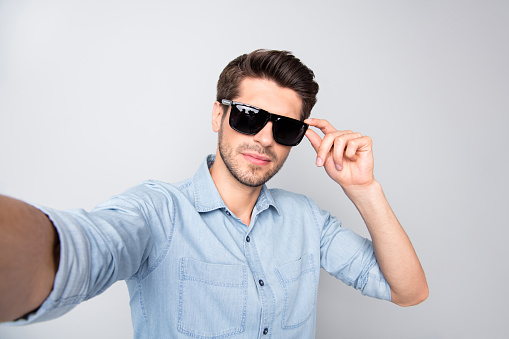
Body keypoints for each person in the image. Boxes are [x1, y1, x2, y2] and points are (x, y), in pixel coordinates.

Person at [0, 49, 428, 338]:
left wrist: (363, 189)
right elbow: (82, 249)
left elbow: (408, 291)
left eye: (285, 127)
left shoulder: (307, 220)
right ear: (217, 115)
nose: (264, 139)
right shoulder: (158, 211)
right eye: (248, 117)